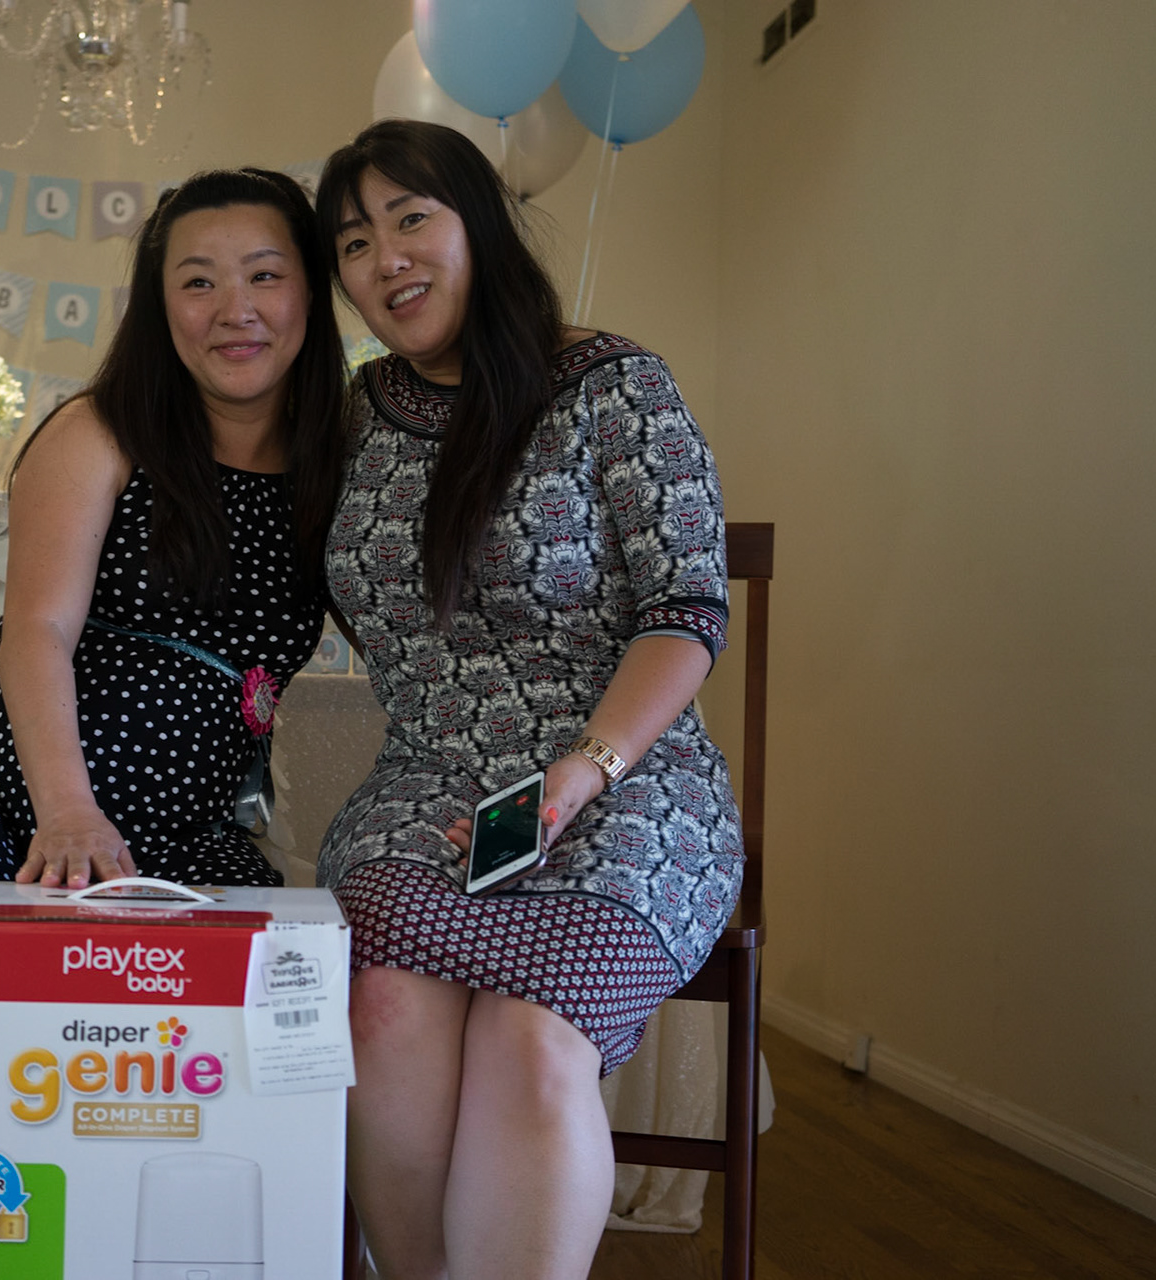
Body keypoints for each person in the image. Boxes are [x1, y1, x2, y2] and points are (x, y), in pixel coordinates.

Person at [0, 168, 345, 1123]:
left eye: (265, 275)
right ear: (159, 304)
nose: (235, 309)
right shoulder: (104, 429)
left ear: (310, 288)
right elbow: (39, 630)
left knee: (273, 1013)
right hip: (2, 795)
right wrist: (67, 814)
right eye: (198, 281)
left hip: (183, 824)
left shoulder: (339, 462)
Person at [314, 120, 743, 1279]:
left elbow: (685, 611)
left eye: (411, 218)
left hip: (628, 778)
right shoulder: (352, 415)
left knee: (533, 1032)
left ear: (482, 224)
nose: (385, 258)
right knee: (382, 1006)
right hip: (427, 788)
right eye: (353, 241)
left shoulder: (615, 383)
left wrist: (581, 770)